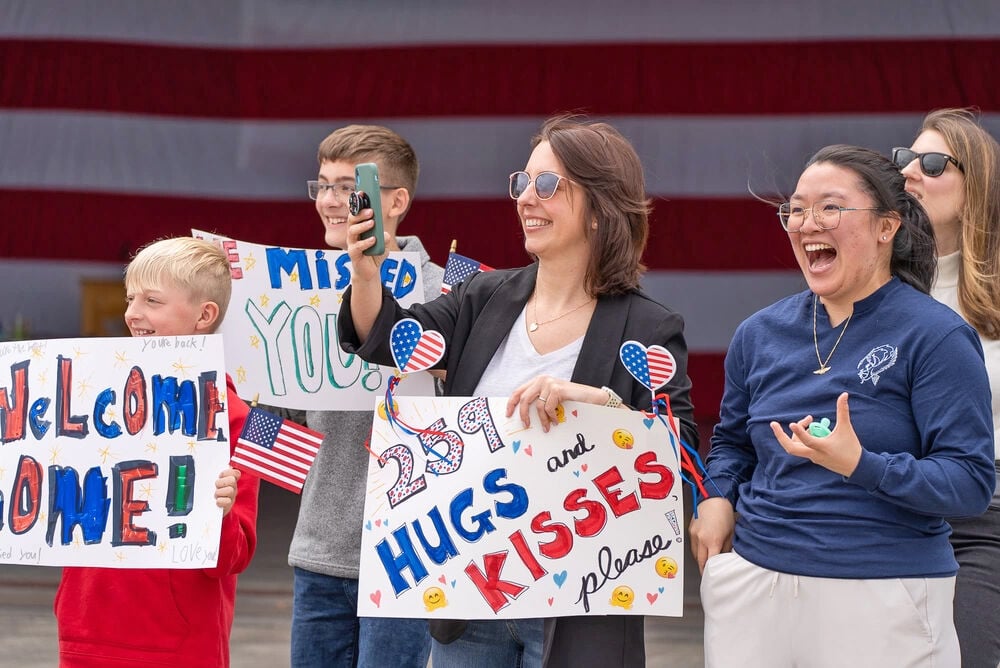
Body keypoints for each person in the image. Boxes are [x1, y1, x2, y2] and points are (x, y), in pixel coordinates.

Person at [338, 115, 699, 668]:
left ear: (602, 208)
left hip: (584, 614)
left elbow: (682, 460)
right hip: (471, 604)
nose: (526, 198)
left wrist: (600, 405)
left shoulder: (648, 328)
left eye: (548, 185)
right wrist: (366, 276)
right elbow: (387, 339)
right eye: (522, 182)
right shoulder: (484, 297)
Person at [690, 145, 996, 667]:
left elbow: (969, 484)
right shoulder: (758, 333)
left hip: (884, 595)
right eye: (797, 210)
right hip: (755, 590)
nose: (807, 223)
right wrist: (715, 497)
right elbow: (732, 444)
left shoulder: (937, 335)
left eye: (830, 207)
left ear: (886, 227)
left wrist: (861, 465)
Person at [55, 236, 260, 667]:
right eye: (130, 297)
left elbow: (235, 557)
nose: (132, 313)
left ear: (205, 315)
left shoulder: (233, 417)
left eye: (152, 300)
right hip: (85, 632)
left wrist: (219, 514)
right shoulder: (91, 402)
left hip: (180, 646)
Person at [287, 124, 443, 668]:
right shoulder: (293, 290)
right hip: (321, 546)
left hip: (413, 549)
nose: (330, 201)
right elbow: (276, 414)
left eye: (347, 186)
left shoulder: (450, 291)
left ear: (395, 200)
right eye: (322, 185)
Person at [895, 108, 1000, 668]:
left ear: (976, 184)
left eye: (932, 163)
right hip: (888, 504)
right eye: (905, 159)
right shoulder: (870, 285)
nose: (911, 171)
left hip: (987, 514)